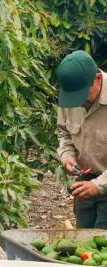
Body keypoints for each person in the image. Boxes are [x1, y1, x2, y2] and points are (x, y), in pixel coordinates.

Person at [56, 50, 107, 229]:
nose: (77, 102)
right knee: (83, 239)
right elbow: (64, 133)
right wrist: (67, 156)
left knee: (103, 245)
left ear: (97, 79)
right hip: (84, 181)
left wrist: (99, 185)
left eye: (82, 94)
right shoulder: (71, 97)